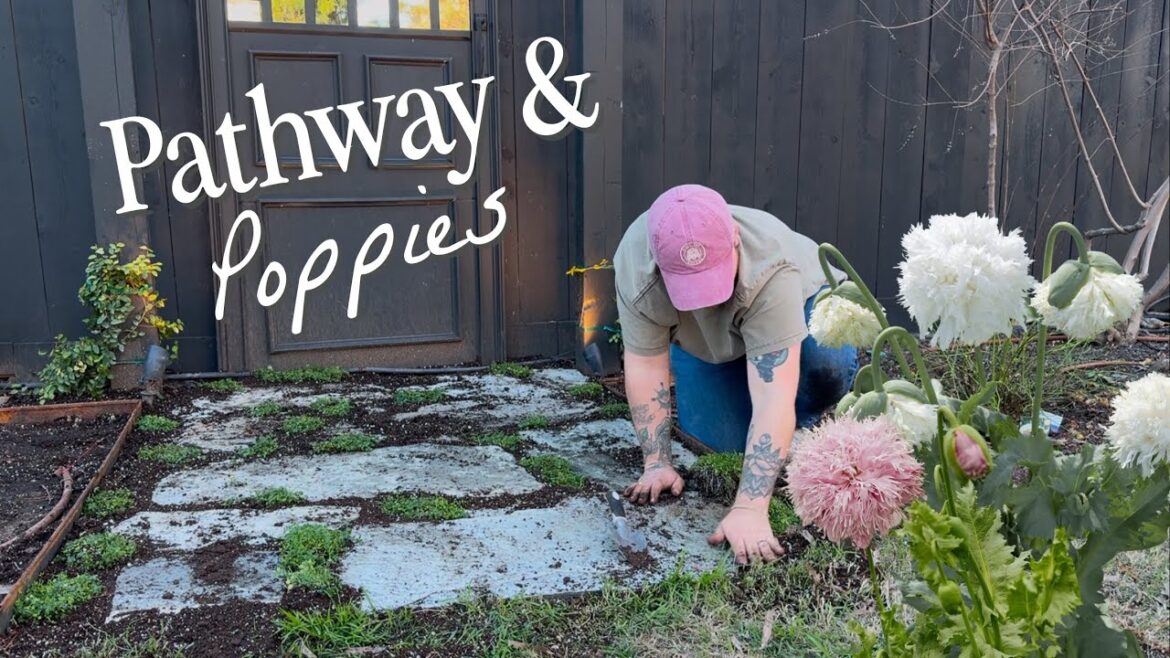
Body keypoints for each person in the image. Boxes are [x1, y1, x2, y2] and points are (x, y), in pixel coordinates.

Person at [613, 184, 858, 564]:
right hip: (707, 346)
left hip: (800, 309)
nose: (705, 296)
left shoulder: (771, 265)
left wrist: (750, 507)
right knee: (722, 449)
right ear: (657, 264)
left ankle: (802, 427)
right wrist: (656, 461)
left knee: (828, 366)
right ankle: (762, 418)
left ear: (735, 241)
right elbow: (646, 364)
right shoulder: (635, 265)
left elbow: (774, 392)